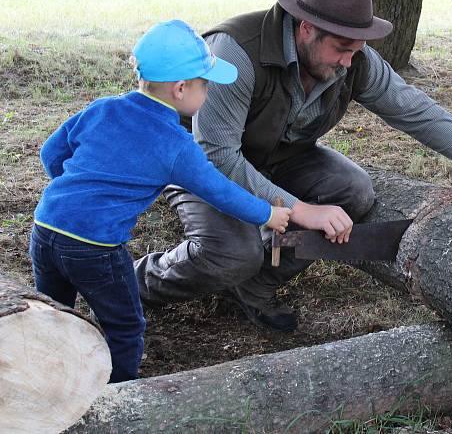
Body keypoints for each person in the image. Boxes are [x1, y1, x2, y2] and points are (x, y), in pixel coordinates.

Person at [134, 0, 452, 332]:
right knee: (233, 253)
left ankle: (254, 286)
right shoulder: (237, 52)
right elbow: (216, 155)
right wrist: (298, 209)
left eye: (355, 51)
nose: (349, 63)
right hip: (195, 163)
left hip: (274, 159)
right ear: (306, 28)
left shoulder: (354, 59)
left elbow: (415, 110)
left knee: (354, 191)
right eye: (341, 50)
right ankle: (129, 283)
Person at [29, 20, 291, 382]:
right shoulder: (175, 144)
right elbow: (220, 192)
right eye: (206, 84)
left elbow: (51, 153)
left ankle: (45, 374)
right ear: (182, 89)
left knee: (53, 312)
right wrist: (268, 213)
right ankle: (117, 396)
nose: (209, 91)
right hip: (95, 248)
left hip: (45, 227)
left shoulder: (102, 108)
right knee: (125, 326)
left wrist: (77, 197)